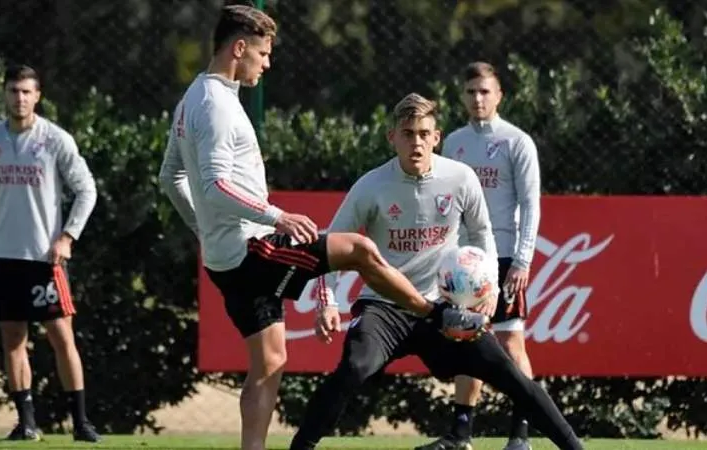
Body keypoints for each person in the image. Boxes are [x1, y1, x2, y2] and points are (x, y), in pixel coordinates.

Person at [157, 6, 483, 450]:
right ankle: (432, 314)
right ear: (239, 48)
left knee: (270, 360)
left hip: (223, 256)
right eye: (263, 53)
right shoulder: (217, 107)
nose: (267, 63)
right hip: (252, 248)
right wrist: (277, 216)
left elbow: (170, 178)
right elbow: (214, 185)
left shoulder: (192, 98)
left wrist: (203, 232)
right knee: (360, 250)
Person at [288, 93, 581, 450]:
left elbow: (482, 233)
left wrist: (486, 284)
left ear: (437, 137)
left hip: (444, 310)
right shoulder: (370, 186)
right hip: (385, 308)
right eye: (408, 133)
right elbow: (331, 245)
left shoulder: (460, 178)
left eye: (424, 133)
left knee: (510, 374)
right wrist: (327, 301)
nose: (416, 142)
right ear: (391, 137)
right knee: (354, 366)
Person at [0, 64, 100, 442]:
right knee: (12, 338)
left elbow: (87, 189)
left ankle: (81, 423)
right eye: (13, 91)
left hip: (45, 259)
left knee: (61, 336)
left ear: (38, 96)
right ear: (4, 94)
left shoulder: (55, 140)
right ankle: (26, 423)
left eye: (26, 91)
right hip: (4, 256)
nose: (19, 98)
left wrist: (68, 237)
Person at [417, 62, 543, 450]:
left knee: (511, 345)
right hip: (461, 263)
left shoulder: (516, 142)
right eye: (471, 91)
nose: (477, 99)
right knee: (464, 340)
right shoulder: (453, 141)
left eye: (485, 91)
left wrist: (522, 260)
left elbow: (531, 204)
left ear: (499, 95)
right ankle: (461, 435)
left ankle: (520, 436)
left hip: (503, 259)